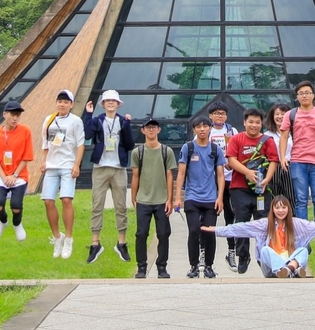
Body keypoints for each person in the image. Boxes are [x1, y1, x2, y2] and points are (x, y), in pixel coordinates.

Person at [204, 194, 315, 278]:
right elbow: (240, 228)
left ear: (288, 209)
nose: (281, 211)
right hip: (271, 269)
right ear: (273, 210)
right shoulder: (264, 224)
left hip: (289, 263)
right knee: (264, 251)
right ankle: (289, 271)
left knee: (303, 250)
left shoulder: (297, 224)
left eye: (284, 208)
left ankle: (288, 270)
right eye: (277, 208)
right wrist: (216, 230)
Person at [278, 80, 315, 250]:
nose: (305, 95)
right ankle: (303, 238)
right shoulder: (291, 114)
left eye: (307, 92)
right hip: (297, 161)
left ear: (313, 95)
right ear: (297, 96)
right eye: (301, 93)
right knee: (301, 200)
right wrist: (282, 157)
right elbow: (284, 137)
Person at [224, 107, 280, 274]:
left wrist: (266, 180)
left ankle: (264, 256)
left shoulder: (267, 140)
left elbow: (273, 161)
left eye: (257, 122)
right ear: (244, 122)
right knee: (242, 222)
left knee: (263, 224)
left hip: (262, 189)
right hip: (239, 188)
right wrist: (247, 172)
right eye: (251, 122)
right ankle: (243, 255)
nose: (254, 125)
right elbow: (231, 160)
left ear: (261, 123)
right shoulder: (236, 139)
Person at [83, 90, 134, 263]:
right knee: (97, 206)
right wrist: (88, 115)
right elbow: (88, 135)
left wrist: (127, 125)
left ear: (118, 104)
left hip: (118, 168)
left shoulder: (122, 121)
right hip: (100, 167)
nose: (110, 103)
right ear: (103, 104)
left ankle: (121, 242)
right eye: (107, 101)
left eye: (114, 101)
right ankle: (95, 243)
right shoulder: (98, 120)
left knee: (121, 207)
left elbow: (129, 144)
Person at [175, 115, 226, 278]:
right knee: (194, 230)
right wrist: (177, 198)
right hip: (192, 197)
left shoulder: (215, 149)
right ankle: (194, 265)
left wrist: (220, 197)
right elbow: (181, 173)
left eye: (205, 126)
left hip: (211, 198)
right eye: (198, 126)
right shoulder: (188, 148)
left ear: (210, 128)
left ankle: (209, 266)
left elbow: (220, 175)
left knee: (209, 232)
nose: (202, 129)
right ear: (194, 129)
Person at [40, 89, 85, 260]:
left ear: (71, 104)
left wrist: (76, 164)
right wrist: (43, 161)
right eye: (60, 101)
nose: (62, 104)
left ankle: (68, 237)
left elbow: (80, 144)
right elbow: (45, 143)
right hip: (52, 165)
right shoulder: (49, 120)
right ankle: (57, 236)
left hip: (67, 165)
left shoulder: (76, 121)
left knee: (66, 199)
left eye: (66, 102)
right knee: (48, 201)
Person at [130, 116, 177, 278]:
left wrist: (170, 199)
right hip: (143, 199)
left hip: (161, 200)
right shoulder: (138, 152)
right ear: (143, 130)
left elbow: (170, 176)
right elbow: (135, 175)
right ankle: (141, 267)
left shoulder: (166, 151)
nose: (151, 130)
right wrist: (133, 196)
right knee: (141, 233)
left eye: (154, 127)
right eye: (148, 127)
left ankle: (162, 267)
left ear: (159, 130)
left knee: (163, 233)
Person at [0, 100, 33, 242]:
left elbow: (27, 156)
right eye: (13, 115)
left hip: (19, 175)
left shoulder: (25, 131)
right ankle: (3, 221)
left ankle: (17, 224)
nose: (15, 118)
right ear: (4, 114)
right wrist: (5, 176)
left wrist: (14, 175)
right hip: (2, 175)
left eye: (18, 115)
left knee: (16, 206)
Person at [205, 104, 238, 269]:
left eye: (223, 114)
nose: (220, 116)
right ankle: (204, 254)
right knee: (208, 217)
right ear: (210, 116)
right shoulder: (206, 131)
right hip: (211, 181)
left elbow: (237, 152)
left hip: (230, 179)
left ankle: (231, 252)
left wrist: (232, 163)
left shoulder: (232, 131)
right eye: (217, 114)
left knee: (230, 218)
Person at [265, 103, 295, 206]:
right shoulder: (267, 135)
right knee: (274, 198)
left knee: (291, 198)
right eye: (277, 114)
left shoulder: (294, 133)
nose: (280, 117)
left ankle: (292, 220)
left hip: (290, 167)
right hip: (273, 168)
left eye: (283, 114)